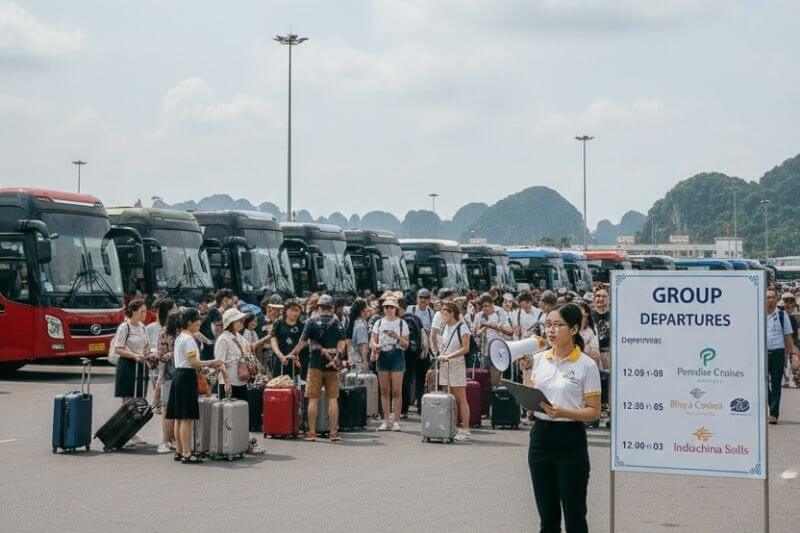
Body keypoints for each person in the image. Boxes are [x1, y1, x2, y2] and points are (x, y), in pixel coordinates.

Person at [529, 303, 601, 533]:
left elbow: (594, 411)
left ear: (573, 329)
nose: (551, 330)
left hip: (570, 440)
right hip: (540, 438)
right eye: (548, 324)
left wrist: (564, 412)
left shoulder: (586, 365)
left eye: (558, 325)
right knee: (547, 516)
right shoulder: (539, 359)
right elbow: (532, 396)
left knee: (574, 516)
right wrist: (523, 374)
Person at [167, 308, 224, 464]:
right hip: (186, 377)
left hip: (178, 376)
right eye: (197, 320)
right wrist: (212, 362)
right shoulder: (189, 340)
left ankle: (179, 451)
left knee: (179, 418)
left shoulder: (181, 337)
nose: (200, 323)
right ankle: (187, 453)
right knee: (186, 419)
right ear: (189, 322)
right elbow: (194, 363)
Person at [288, 295, 346, 442]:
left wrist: (293, 353)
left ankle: (312, 433)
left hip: (314, 365)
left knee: (313, 399)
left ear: (318, 307)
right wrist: (336, 358)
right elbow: (342, 345)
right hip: (331, 366)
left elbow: (302, 343)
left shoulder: (311, 322)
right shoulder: (337, 322)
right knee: (333, 399)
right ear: (331, 307)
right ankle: (333, 432)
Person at [113, 299, 153, 446]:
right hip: (128, 365)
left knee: (139, 400)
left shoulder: (142, 327)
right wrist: (133, 355)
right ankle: (126, 432)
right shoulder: (125, 327)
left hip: (141, 364)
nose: (145, 314)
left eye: (145, 311)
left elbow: (147, 345)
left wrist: (148, 354)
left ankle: (133, 431)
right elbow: (118, 348)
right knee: (128, 400)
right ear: (134, 311)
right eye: (142, 311)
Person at [370, 297, 409, 431]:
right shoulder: (378, 323)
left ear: (396, 309)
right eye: (386, 307)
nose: (389, 309)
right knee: (384, 390)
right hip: (383, 354)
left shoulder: (402, 323)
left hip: (397, 353)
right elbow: (372, 342)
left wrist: (396, 336)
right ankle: (386, 420)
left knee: (397, 391)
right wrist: (376, 346)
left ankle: (396, 420)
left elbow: (406, 344)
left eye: (391, 307)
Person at [436, 301, 473, 442]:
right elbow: (441, 344)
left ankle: (466, 430)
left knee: (460, 398)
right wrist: (441, 353)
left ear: (452, 313)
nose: (442, 315)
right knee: (448, 397)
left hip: (456, 364)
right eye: (442, 312)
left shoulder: (462, 327)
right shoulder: (444, 327)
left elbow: (466, 348)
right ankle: (452, 427)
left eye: (445, 312)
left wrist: (448, 356)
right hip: (445, 365)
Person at [766, 289, 797, 424]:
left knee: (776, 384)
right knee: (763, 384)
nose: (771, 300)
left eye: (773, 297)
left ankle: (774, 413)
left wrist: (794, 354)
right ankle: (769, 406)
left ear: (777, 299)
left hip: (778, 353)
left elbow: (788, 337)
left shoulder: (782, 315)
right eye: (768, 297)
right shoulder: (758, 314)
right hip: (762, 354)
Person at [152, 298, 178, 453]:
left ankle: (176, 439)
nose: (177, 310)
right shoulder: (164, 331)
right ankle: (165, 440)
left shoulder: (181, 329)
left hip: (181, 372)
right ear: (168, 311)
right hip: (168, 374)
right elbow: (161, 356)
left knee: (177, 408)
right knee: (167, 407)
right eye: (174, 308)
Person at [214, 308, 251, 401]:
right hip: (229, 382)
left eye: (241, 320)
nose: (241, 322)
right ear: (231, 323)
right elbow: (220, 362)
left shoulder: (239, 337)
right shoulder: (223, 339)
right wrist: (226, 381)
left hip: (241, 380)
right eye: (238, 320)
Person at [271, 300, 308, 380]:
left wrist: (293, 354)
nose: (294, 313)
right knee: (280, 386)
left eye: (297, 310)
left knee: (297, 387)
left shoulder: (303, 326)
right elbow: (273, 340)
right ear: (286, 310)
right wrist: (280, 356)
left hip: (298, 362)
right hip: (281, 361)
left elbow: (304, 342)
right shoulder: (279, 324)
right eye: (291, 310)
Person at [199, 289, 232, 360]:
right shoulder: (213, 312)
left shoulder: (230, 313)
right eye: (226, 300)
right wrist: (208, 341)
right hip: (210, 352)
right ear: (223, 300)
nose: (230, 303)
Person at [780, 292, 800, 387]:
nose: (789, 304)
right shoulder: (779, 316)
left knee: (794, 358)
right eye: (786, 301)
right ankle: (785, 378)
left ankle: (793, 377)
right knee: (782, 361)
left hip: (792, 342)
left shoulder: (792, 317)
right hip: (781, 343)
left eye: (792, 301)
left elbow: (795, 334)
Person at [346, 299, 371, 371]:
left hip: (353, 361)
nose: (369, 309)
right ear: (362, 311)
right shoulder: (360, 326)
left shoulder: (353, 323)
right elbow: (362, 345)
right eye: (367, 307)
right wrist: (364, 361)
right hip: (359, 362)